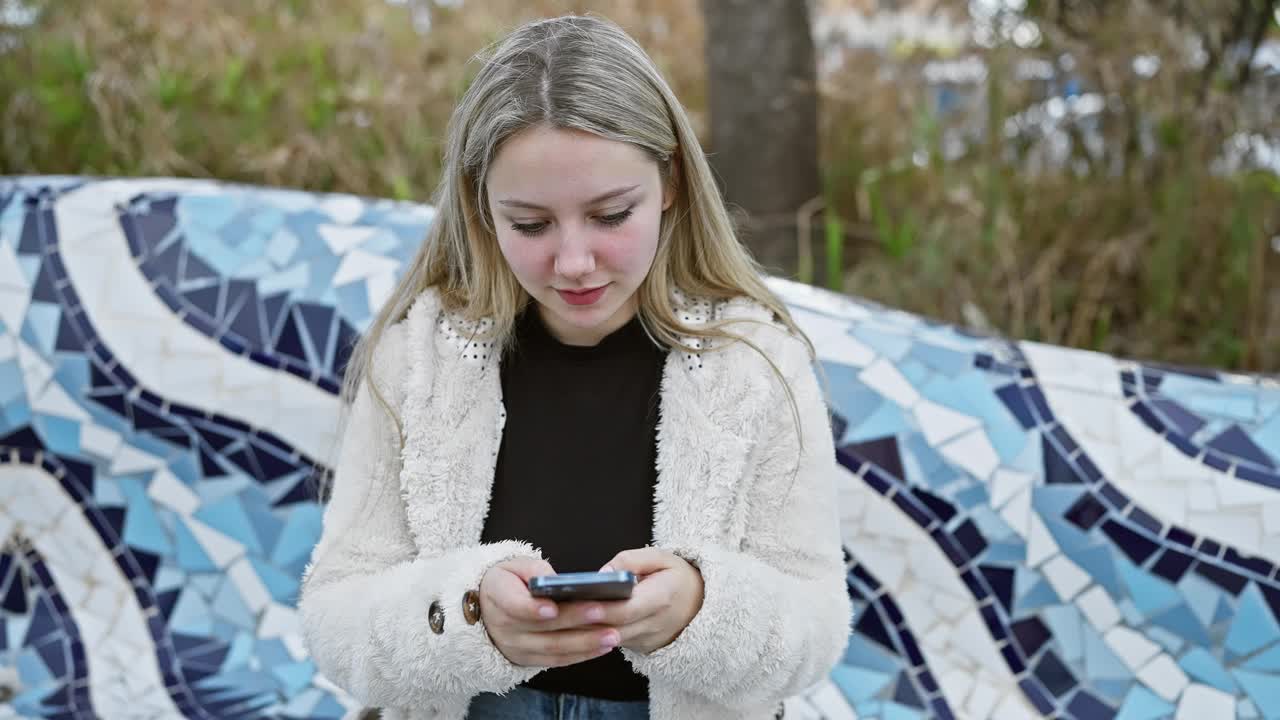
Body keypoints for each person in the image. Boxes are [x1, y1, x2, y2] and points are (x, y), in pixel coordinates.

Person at [297, 13, 851, 720]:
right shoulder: (418, 358)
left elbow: (817, 627)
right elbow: (334, 618)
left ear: (672, 181)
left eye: (612, 214)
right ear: (480, 208)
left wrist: (701, 607)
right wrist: (470, 616)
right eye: (530, 223)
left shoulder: (757, 362)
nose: (574, 262)